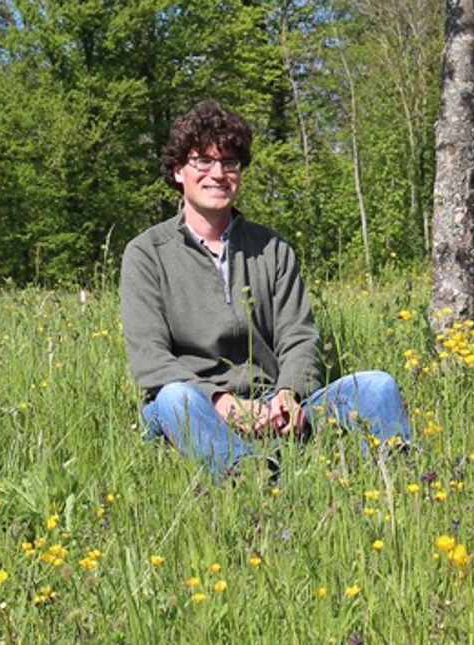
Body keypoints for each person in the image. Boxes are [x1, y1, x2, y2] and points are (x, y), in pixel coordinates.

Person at [121, 100, 412, 482]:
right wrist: (221, 402)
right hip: (198, 406)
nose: (218, 174)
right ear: (178, 172)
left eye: (229, 163)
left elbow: (299, 338)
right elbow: (150, 358)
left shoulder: (272, 249)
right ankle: (253, 476)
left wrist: (288, 396)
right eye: (202, 162)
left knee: (377, 386)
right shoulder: (147, 253)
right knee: (174, 399)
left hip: (273, 402)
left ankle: (404, 477)